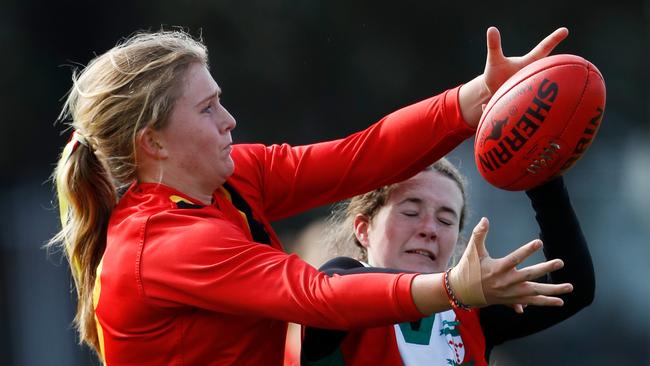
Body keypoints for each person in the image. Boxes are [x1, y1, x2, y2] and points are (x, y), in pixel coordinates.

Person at [49, 27, 574, 365]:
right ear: (153, 142)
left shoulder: (231, 177)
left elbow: (356, 159)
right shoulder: (161, 246)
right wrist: (452, 287)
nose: (229, 120)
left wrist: (472, 99)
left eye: (221, 102)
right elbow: (318, 296)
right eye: (207, 109)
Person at [300, 159, 595, 365]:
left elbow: (573, 286)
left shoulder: (469, 315)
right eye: (411, 212)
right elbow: (335, 294)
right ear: (363, 229)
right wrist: (452, 286)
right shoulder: (339, 282)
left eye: (445, 220)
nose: (429, 228)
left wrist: (542, 177)